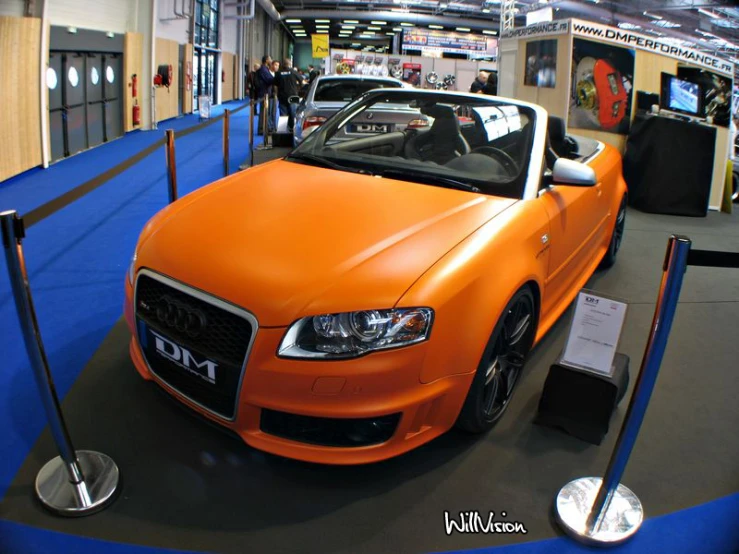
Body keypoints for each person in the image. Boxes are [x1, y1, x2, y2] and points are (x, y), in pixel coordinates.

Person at [273, 58, 304, 132]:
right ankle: (293, 129)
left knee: (283, 114)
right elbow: (301, 81)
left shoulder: (278, 73)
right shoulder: (294, 72)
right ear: (290, 64)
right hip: (293, 95)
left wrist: (276, 94)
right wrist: (298, 89)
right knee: (293, 113)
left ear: (282, 64)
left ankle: (283, 132)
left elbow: (275, 85)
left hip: (282, 96)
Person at [255, 55, 275, 135]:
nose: (271, 60)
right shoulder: (263, 69)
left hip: (265, 93)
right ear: (266, 60)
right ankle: (261, 129)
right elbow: (269, 79)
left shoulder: (265, 69)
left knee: (265, 112)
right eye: (270, 59)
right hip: (264, 94)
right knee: (263, 112)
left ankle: (264, 128)